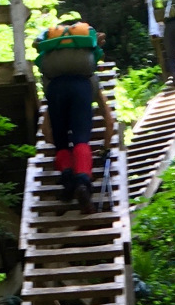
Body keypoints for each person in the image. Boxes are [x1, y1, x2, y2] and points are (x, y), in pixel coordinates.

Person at [34, 17, 117, 209]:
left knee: (62, 142)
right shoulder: (91, 80)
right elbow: (109, 121)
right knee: (81, 139)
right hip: (81, 90)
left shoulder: (51, 82)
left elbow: (46, 131)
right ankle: (82, 182)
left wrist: (58, 147)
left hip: (55, 91)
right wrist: (105, 148)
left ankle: (68, 179)